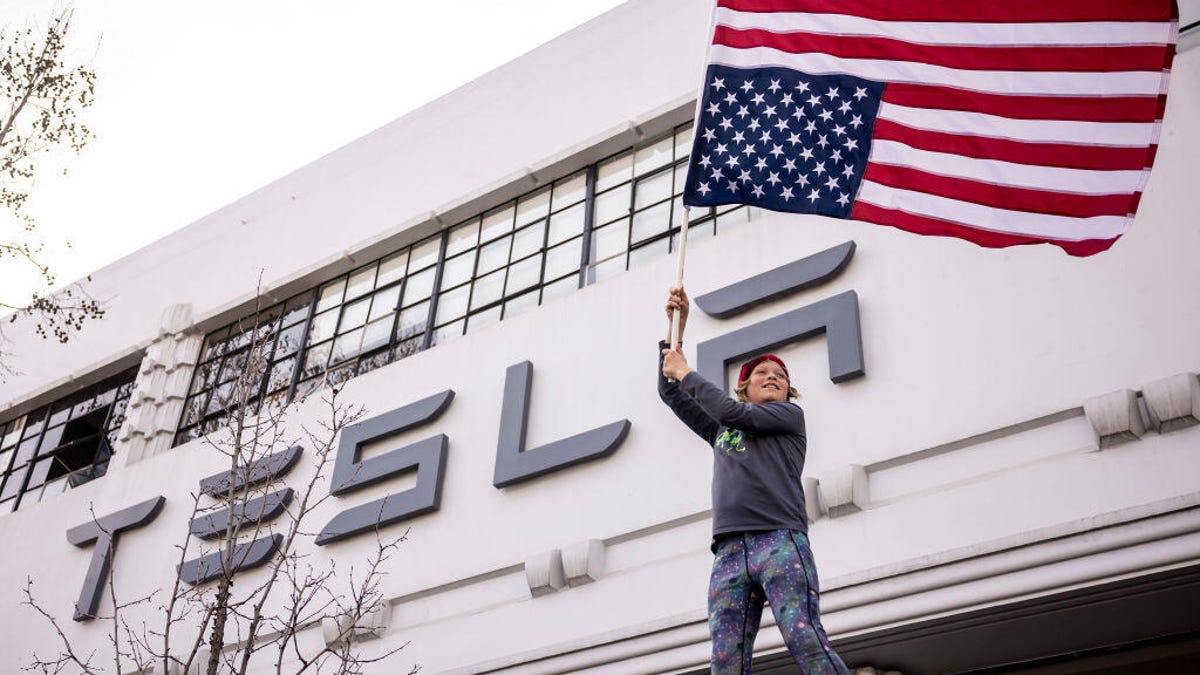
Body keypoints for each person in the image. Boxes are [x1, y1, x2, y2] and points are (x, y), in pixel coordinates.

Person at [659, 286, 849, 675]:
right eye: (762, 373)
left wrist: (687, 371)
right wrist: (675, 331)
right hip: (728, 551)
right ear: (745, 386)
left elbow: (733, 412)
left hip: (779, 540)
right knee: (725, 661)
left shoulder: (787, 417)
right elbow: (671, 392)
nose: (773, 377)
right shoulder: (721, 430)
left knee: (806, 639)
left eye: (780, 375)